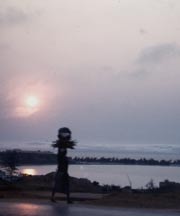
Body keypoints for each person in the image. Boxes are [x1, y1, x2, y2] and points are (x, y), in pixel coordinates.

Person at [51, 127, 76, 203]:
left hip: (63, 169)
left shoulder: (62, 146)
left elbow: (62, 156)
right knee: (62, 184)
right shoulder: (61, 147)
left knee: (61, 184)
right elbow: (61, 156)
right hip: (62, 169)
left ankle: (65, 199)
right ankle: (67, 199)